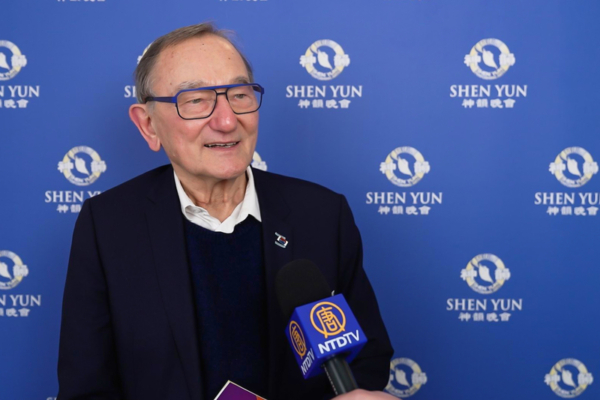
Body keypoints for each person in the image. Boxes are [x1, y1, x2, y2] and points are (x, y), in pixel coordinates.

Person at [58, 22, 395, 400]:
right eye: (196, 100)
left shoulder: (322, 214)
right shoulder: (108, 226)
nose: (227, 120)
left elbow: (367, 361)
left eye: (239, 94)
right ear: (148, 125)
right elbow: (87, 388)